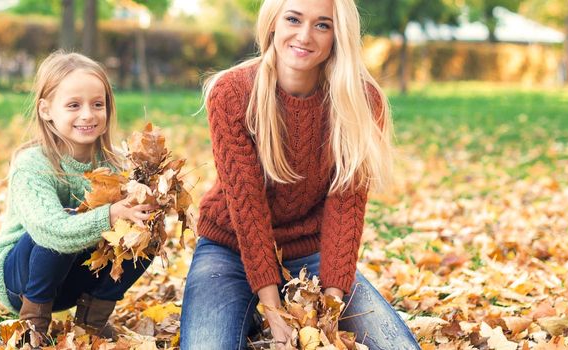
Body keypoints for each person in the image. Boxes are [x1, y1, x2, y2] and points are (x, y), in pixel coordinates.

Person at [180, 0, 420, 349]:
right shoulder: (232, 93)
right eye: (294, 19)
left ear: (339, 34)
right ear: (273, 21)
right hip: (229, 248)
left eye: (322, 25)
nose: (305, 36)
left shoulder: (360, 101)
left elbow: (345, 209)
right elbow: (247, 210)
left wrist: (330, 308)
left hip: (311, 253)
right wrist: (275, 313)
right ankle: (251, 316)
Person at [0, 51, 154, 345]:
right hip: (21, 281)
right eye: (74, 105)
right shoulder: (33, 164)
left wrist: (146, 203)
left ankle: (92, 322)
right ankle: (33, 324)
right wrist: (111, 214)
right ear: (46, 110)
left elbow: (129, 225)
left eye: (97, 104)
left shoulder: (115, 163)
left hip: (73, 280)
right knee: (66, 219)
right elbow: (52, 232)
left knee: (145, 227)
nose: (88, 114)